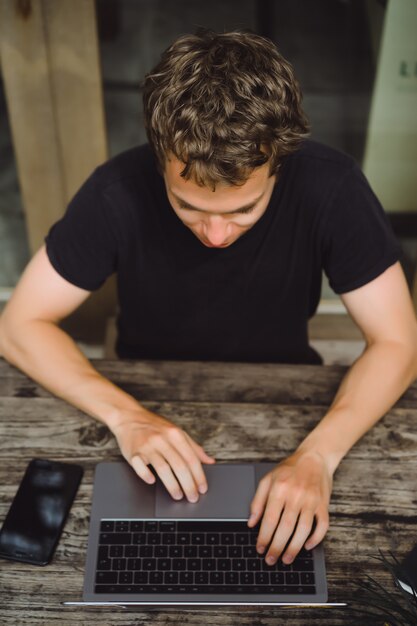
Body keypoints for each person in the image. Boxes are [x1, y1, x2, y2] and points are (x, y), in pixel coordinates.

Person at [0, 30, 416, 569]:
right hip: (145, 394)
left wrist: (318, 456)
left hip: (288, 403)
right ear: (159, 160)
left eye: (244, 210)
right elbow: (18, 325)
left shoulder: (332, 186)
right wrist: (127, 418)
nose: (215, 235)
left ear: (279, 165)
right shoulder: (115, 190)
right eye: (188, 206)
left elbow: (399, 342)